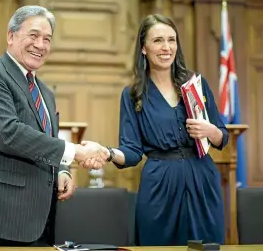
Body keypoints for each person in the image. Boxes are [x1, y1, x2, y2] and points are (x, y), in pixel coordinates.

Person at [0, 5, 107, 246]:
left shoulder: (46, 94)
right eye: (33, 35)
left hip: (37, 223)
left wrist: (62, 170)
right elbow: (8, 134)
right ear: (11, 36)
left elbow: (43, 143)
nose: (40, 45)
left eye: (47, 39)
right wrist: (76, 152)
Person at [82, 14, 229, 246]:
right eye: (158, 40)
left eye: (172, 40)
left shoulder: (195, 84)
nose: (166, 47)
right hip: (160, 185)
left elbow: (222, 136)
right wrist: (107, 152)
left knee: (207, 246)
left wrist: (210, 131)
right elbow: (131, 151)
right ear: (144, 48)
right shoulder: (133, 94)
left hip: (202, 180)